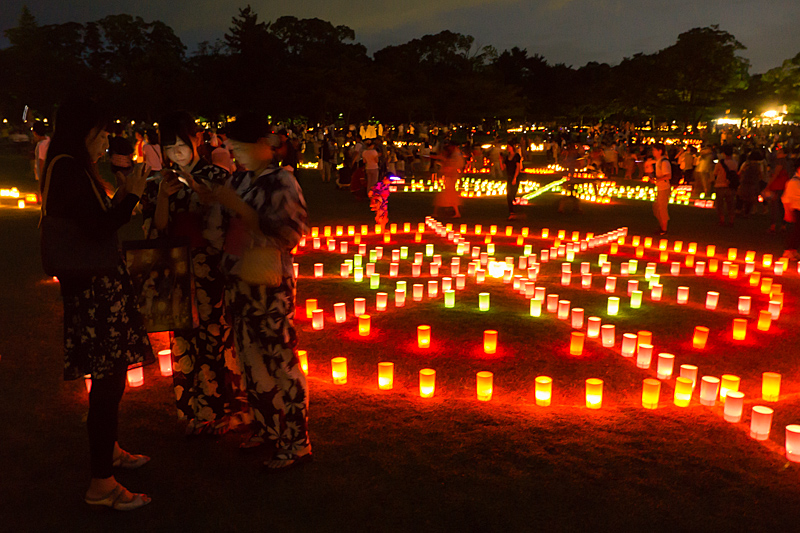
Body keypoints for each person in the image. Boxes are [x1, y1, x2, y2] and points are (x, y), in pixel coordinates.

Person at [42, 96, 154, 510]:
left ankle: (108, 452)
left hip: (96, 287)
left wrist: (123, 193)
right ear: (84, 132)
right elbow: (97, 228)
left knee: (112, 378)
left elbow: (94, 221)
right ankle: (101, 484)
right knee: (107, 382)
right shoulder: (70, 169)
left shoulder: (75, 168)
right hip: (94, 293)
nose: (107, 141)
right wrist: (131, 195)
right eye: (102, 133)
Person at [208, 113, 312, 470]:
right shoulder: (238, 181)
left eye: (238, 146)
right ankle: (266, 425)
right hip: (239, 280)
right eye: (229, 146)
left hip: (269, 285)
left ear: (263, 146)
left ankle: (296, 439)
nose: (232, 152)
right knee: (249, 357)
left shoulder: (282, 181)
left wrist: (244, 214)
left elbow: (290, 235)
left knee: (280, 358)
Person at [139, 111, 238, 436]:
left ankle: (219, 410)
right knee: (182, 341)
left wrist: (203, 195)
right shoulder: (160, 182)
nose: (177, 153)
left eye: (181, 144)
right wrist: (165, 199)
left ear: (196, 140)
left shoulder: (215, 175)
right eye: (170, 147)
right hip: (176, 270)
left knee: (214, 337)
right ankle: (189, 409)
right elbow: (157, 229)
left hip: (209, 268)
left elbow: (229, 222)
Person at [432, 142, 463, 218]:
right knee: (444, 196)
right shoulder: (452, 156)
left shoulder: (455, 156)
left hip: (450, 178)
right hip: (448, 178)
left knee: (448, 196)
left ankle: (455, 212)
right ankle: (438, 211)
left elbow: (453, 166)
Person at [714, 145, 738, 226]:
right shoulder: (735, 163)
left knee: (720, 204)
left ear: (724, 153)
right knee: (730, 204)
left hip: (720, 184)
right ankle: (731, 220)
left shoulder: (720, 163)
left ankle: (722, 219)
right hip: (730, 186)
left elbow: (715, 173)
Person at [649, 143, 671, 235]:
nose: (652, 151)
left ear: (660, 151)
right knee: (656, 207)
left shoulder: (664, 162)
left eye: (654, 150)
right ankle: (662, 225)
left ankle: (664, 229)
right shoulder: (658, 161)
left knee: (662, 208)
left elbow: (668, 176)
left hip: (664, 188)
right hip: (659, 187)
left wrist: (657, 179)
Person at [781, 165, 800, 260]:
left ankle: (794, 250)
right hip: (795, 210)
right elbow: (786, 199)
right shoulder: (793, 182)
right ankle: (788, 251)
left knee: (798, 232)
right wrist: (787, 212)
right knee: (794, 231)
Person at [503, 142, 522, 220]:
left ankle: (515, 209)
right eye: (507, 146)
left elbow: (518, 168)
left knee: (513, 194)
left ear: (512, 147)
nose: (507, 148)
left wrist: (515, 178)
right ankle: (511, 211)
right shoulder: (507, 157)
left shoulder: (516, 156)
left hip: (515, 177)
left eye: (509, 146)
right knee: (508, 195)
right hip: (509, 177)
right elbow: (503, 168)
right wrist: (501, 160)